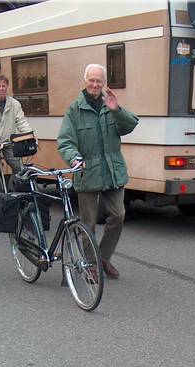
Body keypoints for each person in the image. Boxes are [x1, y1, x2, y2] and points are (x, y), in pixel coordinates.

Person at [57, 63, 138, 279]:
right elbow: (65, 142)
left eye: (98, 81)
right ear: (85, 81)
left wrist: (116, 109)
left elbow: (130, 125)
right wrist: (74, 158)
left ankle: (103, 257)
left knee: (118, 215)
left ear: (103, 83)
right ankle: (91, 264)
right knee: (88, 223)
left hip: (113, 171)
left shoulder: (109, 105)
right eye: (91, 80)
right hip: (87, 173)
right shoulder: (74, 110)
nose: (95, 84)